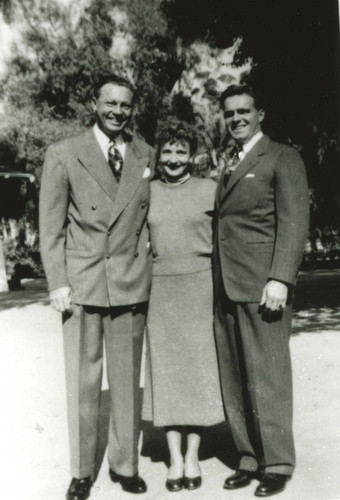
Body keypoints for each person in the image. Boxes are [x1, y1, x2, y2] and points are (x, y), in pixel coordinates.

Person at [39, 71, 155, 500]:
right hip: (83, 284)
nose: (117, 112)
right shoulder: (64, 153)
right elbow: (49, 227)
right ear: (94, 103)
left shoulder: (146, 154)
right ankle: (82, 471)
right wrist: (57, 282)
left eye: (125, 105)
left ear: (132, 108)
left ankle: (125, 466)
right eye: (110, 103)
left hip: (129, 283)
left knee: (125, 381)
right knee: (83, 382)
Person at [213, 84, 309, 497]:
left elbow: (293, 221)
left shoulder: (282, 156)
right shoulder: (227, 161)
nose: (236, 119)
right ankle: (249, 457)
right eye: (229, 113)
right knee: (235, 377)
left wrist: (280, 278)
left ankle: (278, 462)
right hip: (226, 286)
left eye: (244, 112)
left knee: (267, 375)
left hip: (263, 285)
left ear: (260, 114)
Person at [142, 121, 225, 492]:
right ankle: (173, 458)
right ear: (158, 155)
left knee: (197, 371)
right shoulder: (147, 192)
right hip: (160, 289)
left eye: (181, 152)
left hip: (200, 286)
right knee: (167, 373)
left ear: (193, 156)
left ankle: (193, 455)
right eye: (168, 151)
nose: (174, 159)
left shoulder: (211, 190)